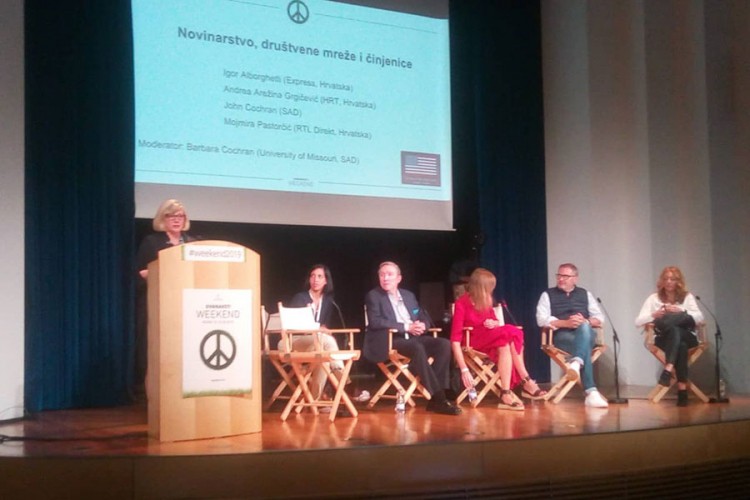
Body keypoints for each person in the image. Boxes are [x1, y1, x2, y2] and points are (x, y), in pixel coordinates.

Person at [364, 261, 461, 415]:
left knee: (444, 344)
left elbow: (421, 313)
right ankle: (439, 398)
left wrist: (423, 324)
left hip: (413, 336)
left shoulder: (408, 295)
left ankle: (434, 399)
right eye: (382, 275)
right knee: (417, 348)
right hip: (391, 339)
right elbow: (375, 322)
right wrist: (405, 326)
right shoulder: (374, 296)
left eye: (389, 274)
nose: (385, 278)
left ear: (399, 278)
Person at [451, 268, 546, 411]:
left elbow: (495, 321)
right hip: (473, 341)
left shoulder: (487, 300)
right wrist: (464, 369)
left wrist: (494, 323)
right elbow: (455, 339)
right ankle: (526, 380)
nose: (492, 290)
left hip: (490, 338)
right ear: (481, 287)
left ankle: (505, 393)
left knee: (505, 343)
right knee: (512, 332)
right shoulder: (462, 303)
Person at [135, 199, 197, 392]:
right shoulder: (152, 242)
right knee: (157, 350)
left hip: (187, 304)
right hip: (159, 302)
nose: (176, 220)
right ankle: (154, 394)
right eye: (171, 216)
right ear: (162, 219)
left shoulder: (193, 243)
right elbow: (140, 273)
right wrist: (163, 269)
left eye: (180, 216)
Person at [536, 263, 609, 408]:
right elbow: (541, 319)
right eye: (559, 275)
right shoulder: (547, 295)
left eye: (565, 276)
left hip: (585, 335)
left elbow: (599, 318)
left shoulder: (585, 294)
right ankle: (591, 391)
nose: (561, 279)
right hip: (562, 337)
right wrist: (566, 323)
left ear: (575, 278)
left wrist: (585, 321)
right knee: (585, 348)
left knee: (585, 327)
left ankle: (576, 363)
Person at [635, 266, 703, 407]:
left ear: (678, 281)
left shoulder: (687, 297)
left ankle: (668, 369)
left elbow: (700, 317)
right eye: (666, 279)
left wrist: (681, 310)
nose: (669, 282)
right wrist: (654, 315)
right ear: (661, 281)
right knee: (680, 343)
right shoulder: (654, 298)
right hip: (664, 339)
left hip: (687, 335)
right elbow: (638, 321)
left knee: (676, 327)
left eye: (672, 279)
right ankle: (682, 391)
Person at [284, 264, 346, 400]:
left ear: (326, 281)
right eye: (312, 276)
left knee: (323, 360)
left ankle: (314, 401)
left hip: (317, 343)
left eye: (319, 276)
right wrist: (318, 328)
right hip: (294, 341)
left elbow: (325, 325)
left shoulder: (328, 302)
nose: (315, 279)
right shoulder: (300, 298)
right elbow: (293, 325)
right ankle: (342, 378)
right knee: (327, 340)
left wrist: (322, 330)